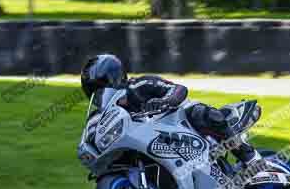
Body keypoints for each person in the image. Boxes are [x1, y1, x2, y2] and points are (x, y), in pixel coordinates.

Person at [80, 54, 262, 167]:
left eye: (100, 87)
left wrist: (165, 100)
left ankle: (251, 158)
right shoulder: (106, 115)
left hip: (179, 123)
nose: (99, 93)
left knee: (200, 113)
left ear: (114, 76)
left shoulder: (140, 84)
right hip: (154, 144)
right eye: (94, 89)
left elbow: (178, 89)